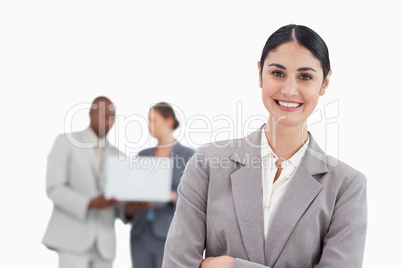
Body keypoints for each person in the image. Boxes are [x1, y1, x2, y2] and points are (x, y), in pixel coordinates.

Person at [162, 24, 368, 268]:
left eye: (305, 77)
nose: (289, 90)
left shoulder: (346, 186)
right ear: (260, 74)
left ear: (324, 83)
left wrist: (231, 266)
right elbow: (177, 263)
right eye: (278, 73)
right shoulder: (207, 163)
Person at [42, 96, 127, 268]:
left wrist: (130, 210)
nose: (109, 122)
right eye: (105, 116)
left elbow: (118, 203)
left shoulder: (119, 156)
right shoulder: (66, 142)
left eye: (112, 118)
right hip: (72, 239)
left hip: (105, 244)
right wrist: (89, 203)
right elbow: (54, 188)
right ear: (91, 114)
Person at [126, 102, 195, 268]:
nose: (149, 126)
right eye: (148, 121)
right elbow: (134, 189)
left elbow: (196, 198)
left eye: (153, 120)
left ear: (169, 122)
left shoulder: (188, 156)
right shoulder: (143, 156)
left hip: (168, 234)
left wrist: (170, 195)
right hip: (140, 232)